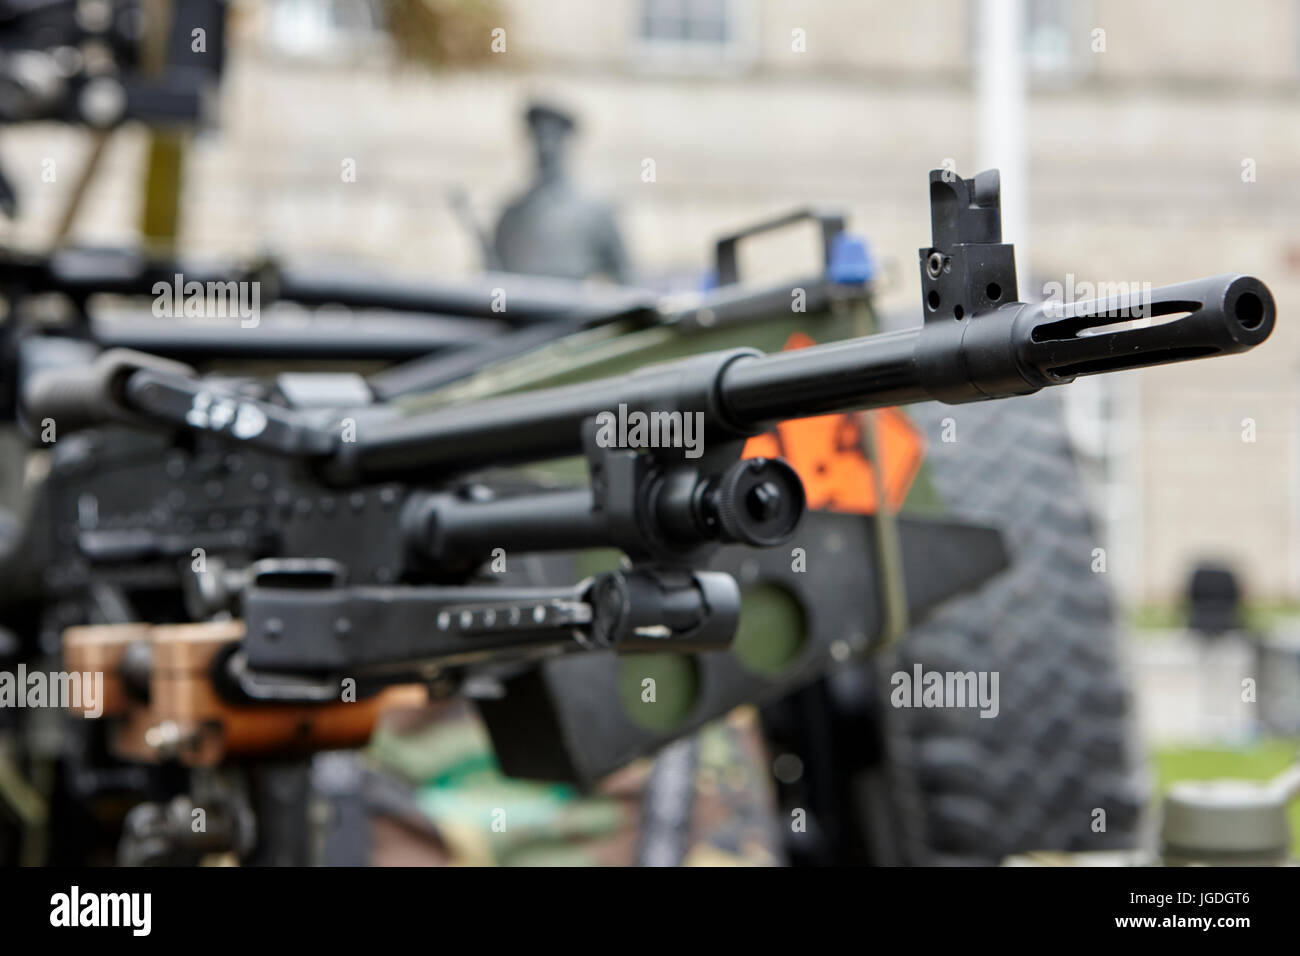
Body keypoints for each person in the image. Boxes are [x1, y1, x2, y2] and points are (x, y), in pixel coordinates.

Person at [491, 100, 630, 283]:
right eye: (537, 137)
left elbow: (626, 277)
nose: (544, 147)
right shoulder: (511, 215)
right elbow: (491, 279)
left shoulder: (595, 212)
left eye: (551, 137)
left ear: (565, 141)